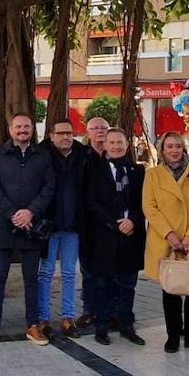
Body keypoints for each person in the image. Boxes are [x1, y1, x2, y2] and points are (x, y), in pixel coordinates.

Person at [0, 113, 55, 346]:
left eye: (26, 126)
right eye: (18, 126)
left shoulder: (42, 156)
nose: (22, 130)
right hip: (4, 224)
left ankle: (33, 324)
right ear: (10, 129)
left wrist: (30, 212)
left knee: (31, 278)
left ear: (32, 129)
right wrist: (13, 212)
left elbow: (49, 187)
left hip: (31, 225)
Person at [143, 131, 189, 354]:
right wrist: (170, 235)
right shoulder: (153, 175)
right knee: (171, 289)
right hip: (167, 240)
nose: (174, 150)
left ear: (184, 149)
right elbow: (150, 207)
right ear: (162, 150)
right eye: (169, 146)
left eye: (178, 146)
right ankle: (173, 335)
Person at [82, 127, 146, 346]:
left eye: (120, 142)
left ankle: (126, 324)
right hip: (105, 235)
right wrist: (114, 223)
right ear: (105, 145)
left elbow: (145, 202)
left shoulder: (138, 171)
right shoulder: (93, 170)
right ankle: (101, 326)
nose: (116, 146)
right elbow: (91, 202)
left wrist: (133, 221)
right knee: (103, 284)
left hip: (132, 235)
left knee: (128, 285)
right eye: (112, 143)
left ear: (127, 144)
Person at [37, 119, 88, 337]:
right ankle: (42, 319)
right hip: (49, 224)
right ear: (51, 134)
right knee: (46, 272)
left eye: (69, 133)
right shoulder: (40, 155)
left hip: (73, 224)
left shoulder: (83, 154)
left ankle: (68, 317)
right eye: (61, 133)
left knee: (69, 272)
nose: (66, 137)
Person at [75, 117, 111, 330]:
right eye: (94, 128)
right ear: (87, 133)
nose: (99, 131)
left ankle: (110, 311)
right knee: (88, 270)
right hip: (87, 223)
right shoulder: (81, 157)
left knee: (110, 269)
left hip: (111, 223)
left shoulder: (116, 155)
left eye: (103, 128)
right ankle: (90, 310)